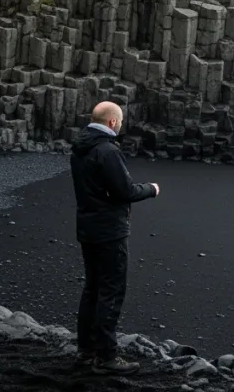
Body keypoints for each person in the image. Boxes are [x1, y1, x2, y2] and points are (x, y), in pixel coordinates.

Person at [70, 101, 160, 374]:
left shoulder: (80, 148)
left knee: (93, 289)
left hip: (87, 228)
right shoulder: (107, 151)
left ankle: (86, 350)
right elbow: (125, 191)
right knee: (111, 291)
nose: (120, 126)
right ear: (111, 122)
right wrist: (151, 189)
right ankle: (106, 357)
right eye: (119, 122)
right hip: (109, 232)